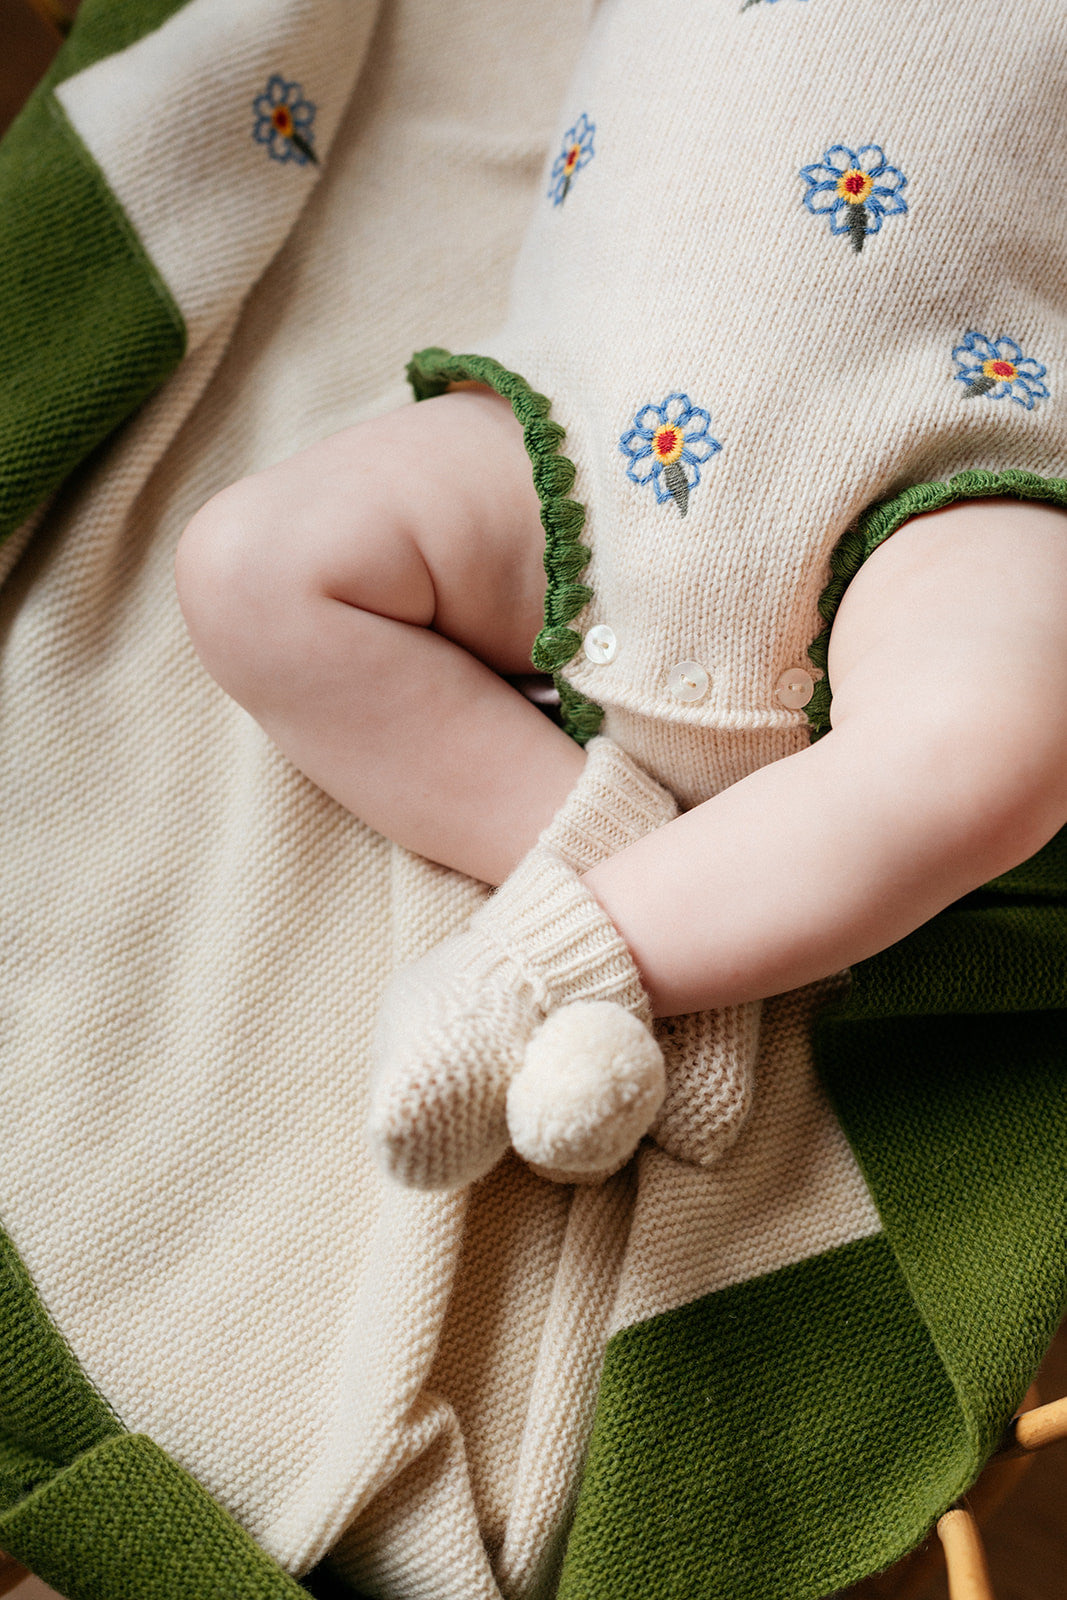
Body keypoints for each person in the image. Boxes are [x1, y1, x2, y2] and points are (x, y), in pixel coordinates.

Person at [175, 0, 1067, 1193]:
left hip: (943, 455)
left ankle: (527, 972)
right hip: (581, 437)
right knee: (248, 564)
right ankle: (667, 936)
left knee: (999, 742)